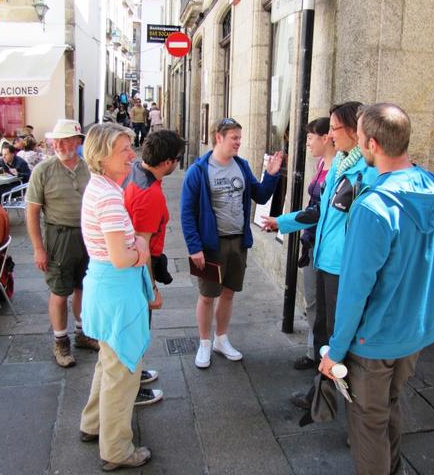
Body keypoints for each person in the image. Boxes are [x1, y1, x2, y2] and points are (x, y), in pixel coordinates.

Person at [319, 103, 434, 475]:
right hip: (415, 330)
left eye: (360, 137)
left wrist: (336, 350)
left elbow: (354, 290)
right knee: (390, 408)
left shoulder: (374, 207)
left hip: (374, 339)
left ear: (373, 144)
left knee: (368, 424)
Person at [262, 102, 378, 408]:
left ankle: (351, 404)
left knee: (341, 338)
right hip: (325, 261)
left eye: (334, 129)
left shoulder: (367, 171)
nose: (330, 134)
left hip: (344, 268)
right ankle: (324, 397)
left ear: (355, 131)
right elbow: (320, 212)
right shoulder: (340, 165)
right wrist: (282, 222)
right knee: (326, 335)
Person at [78, 123, 153, 470]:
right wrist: (142, 248)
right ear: (102, 155)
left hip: (104, 288)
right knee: (123, 374)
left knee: (110, 364)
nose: (132, 156)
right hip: (116, 293)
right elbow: (122, 258)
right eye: (124, 150)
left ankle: (93, 425)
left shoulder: (100, 187)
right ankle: (117, 451)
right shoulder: (108, 195)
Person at [181, 118, 283, 369]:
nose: (239, 142)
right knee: (207, 295)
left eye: (240, 137)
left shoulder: (242, 165)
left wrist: (271, 175)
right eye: (234, 137)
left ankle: (221, 339)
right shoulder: (199, 170)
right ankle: (204, 343)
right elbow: (186, 212)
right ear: (219, 137)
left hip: (238, 242)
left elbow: (260, 195)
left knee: (228, 293)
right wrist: (194, 247)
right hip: (210, 244)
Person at [263, 117, 335, 370]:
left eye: (310, 138)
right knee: (314, 303)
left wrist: (281, 222)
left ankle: (325, 358)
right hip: (312, 243)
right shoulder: (321, 164)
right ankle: (314, 352)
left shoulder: (340, 171)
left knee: (327, 311)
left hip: (327, 247)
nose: (306, 143)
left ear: (327, 138)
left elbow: (318, 211)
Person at [26, 119, 98, 368]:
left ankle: (82, 333)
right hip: (59, 236)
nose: (58, 144)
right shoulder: (43, 170)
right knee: (59, 290)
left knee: (83, 286)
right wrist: (38, 248)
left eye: (65, 139)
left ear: (78, 141)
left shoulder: (90, 167)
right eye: (56, 140)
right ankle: (60, 341)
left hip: (89, 235)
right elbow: (32, 212)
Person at [123, 129, 184, 405]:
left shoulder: (136, 171)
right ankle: (131, 389)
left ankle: (134, 375)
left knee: (135, 330)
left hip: (127, 266)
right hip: (135, 272)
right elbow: (142, 248)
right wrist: (151, 289)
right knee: (137, 329)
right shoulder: (149, 194)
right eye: (178, 159)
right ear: (167, 162)